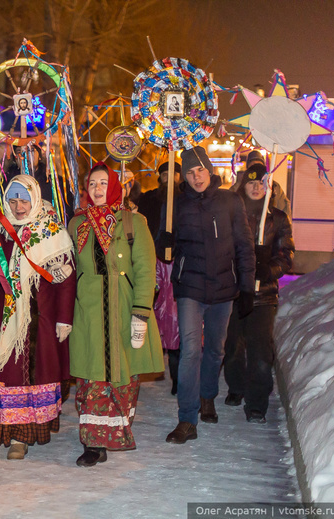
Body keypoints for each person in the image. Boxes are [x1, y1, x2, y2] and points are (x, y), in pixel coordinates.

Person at [67, 162, 164, 467]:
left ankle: (114, 432)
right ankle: (93, 443)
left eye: (102, 183)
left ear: (114, 187)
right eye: (92, 183)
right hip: (88, 312)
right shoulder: (76, 224)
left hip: (123, 310)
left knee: (122, 377)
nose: (97, 189)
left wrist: (141, 313)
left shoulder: (133, 223)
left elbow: (146, 271)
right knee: (91, 376)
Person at [163, 146, 255, 444]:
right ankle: (187, 419)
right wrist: (164, 240)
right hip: (190, 286)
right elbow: (165, 245)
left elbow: (244, 245)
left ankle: (207, 397)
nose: (196, 177)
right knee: (191, 350)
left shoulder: (230, 201)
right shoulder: (176, 204)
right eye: (189, 172)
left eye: (200, 170)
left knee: (215, 349)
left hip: (224, 288)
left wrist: (246, 286)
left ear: (209, 170)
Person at [0, 175, 75, 460]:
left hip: (43, 318)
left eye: (24, 200)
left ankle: (37, 428)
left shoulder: (52, 230)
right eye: (13, 200)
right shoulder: (1, 229)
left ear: (34, 199)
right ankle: (17, 437)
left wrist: (64, 318)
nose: (19, 206)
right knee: (11, 375)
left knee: (41, 373)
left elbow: (66, 279)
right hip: (10, 317)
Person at [222, 163, 294, 423]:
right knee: (231, 346)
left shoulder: (278, 219)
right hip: (233, 292)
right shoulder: (231, 215)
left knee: (260, 350)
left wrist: (268, 268)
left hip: (263, 296)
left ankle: (256, 403)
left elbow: (287, 256)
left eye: (261, 182)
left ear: (269, 187)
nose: (256, 187)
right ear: (243, 185)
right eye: (251, 182)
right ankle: (237, 386)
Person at [137, 161, 182, 394]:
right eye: (164, 175)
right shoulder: (148, 200)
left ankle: (177, 377)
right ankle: (146, 365)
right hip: (152, 265)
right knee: (150, 318)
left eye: (173, 175)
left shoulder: (185, 200)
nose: (168, 179)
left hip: (176, 266)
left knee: (176, 324)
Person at [230, 150, 292, 221]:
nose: (256, 187)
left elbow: (284, 208)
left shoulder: (273, 186)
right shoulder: (239, 186)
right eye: (253, 166)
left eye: (259, 166)